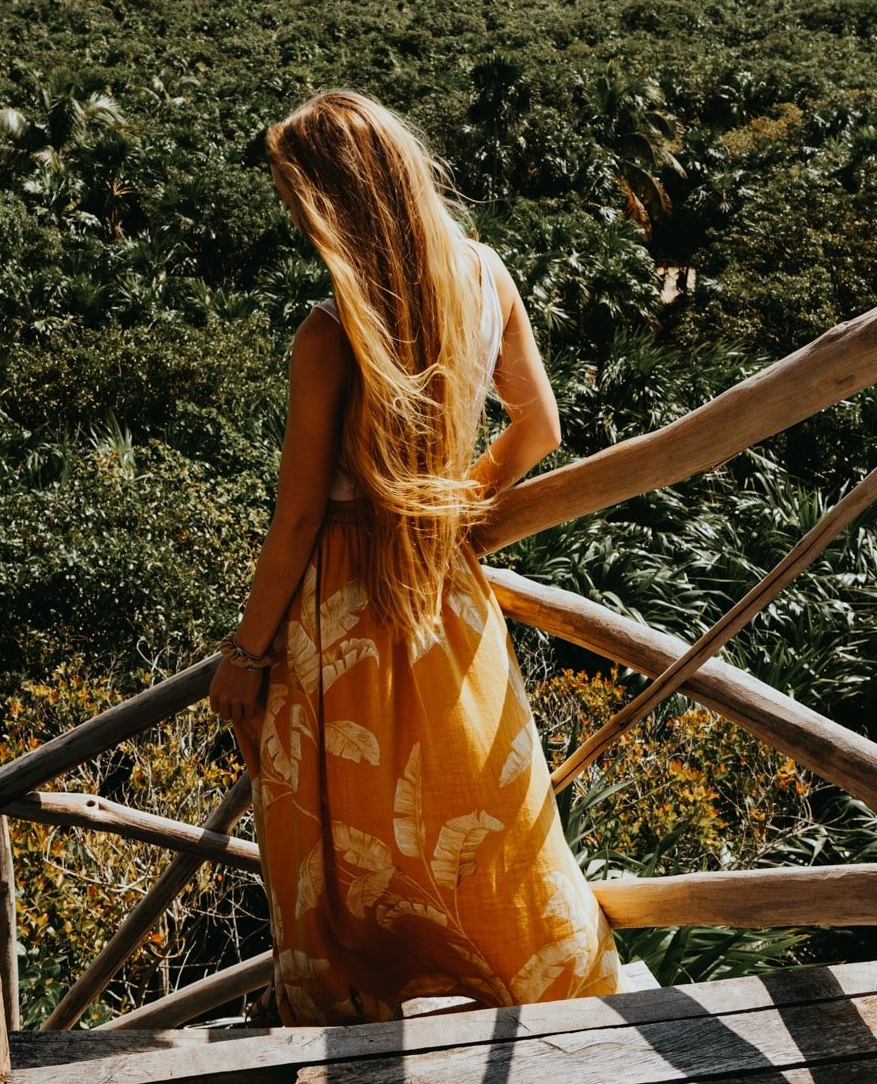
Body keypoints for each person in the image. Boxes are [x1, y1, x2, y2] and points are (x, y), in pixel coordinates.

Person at [207, 89, 629, 1027]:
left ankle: (352, 1018)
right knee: (470, 801)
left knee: (336, 824)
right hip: (442, 590)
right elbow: (539, 428)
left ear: (328, 201)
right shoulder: (485, 277)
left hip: (339, 613)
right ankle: (542, 1002)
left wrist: (242, 656)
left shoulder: (327, 333)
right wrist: (450, 503)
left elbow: (300, 518)